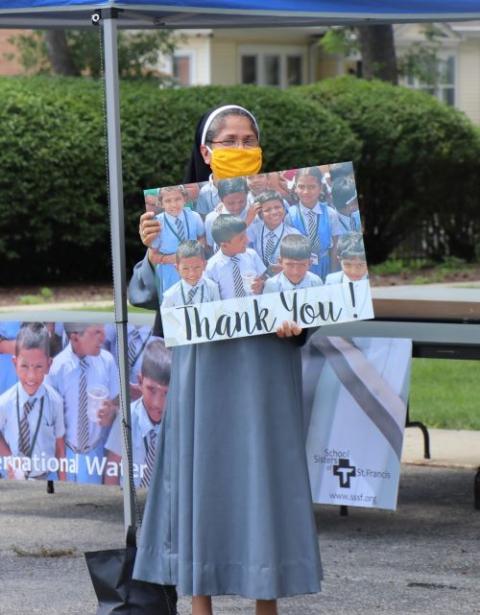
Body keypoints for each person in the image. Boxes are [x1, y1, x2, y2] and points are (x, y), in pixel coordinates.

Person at [131, 104, 322, 615]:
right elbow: (151, 293)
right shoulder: (181, 219)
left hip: (265, 365)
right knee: (203, 477)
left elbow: (311, 283)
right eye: (229, 140)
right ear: (206, 151)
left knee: (264, 477)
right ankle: (199, 605)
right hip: (204, 370)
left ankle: (266, 605)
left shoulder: (282, 212)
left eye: (248, 140)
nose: (240, 149)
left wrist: (300, 319)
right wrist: (152, 254)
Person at [47, 323, 119, 484]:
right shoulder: (57, 369)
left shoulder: (107, 362)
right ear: (74, 337)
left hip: (95, 453)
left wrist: (111, 413)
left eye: (103, 330)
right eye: (96, 332)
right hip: (65, 453)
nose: (104, 337)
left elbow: (116, 403)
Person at [0, 323, 66, 481]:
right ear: (15, 364)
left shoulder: (55, 401)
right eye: (24, 366)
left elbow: (59, 447)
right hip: (12, 481)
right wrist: (9, 458)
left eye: (38, 367)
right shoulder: (4, 402)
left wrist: (65, 484)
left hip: (46, 479)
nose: (31, 376)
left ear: (49, 365)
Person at [103, 338, 171, 488]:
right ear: (140, 381)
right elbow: (111, 471)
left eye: (166, 393)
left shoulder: (177, 425)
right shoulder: (126, 418)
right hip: (129, 506)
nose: (157, 403)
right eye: (151, 390)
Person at [286, 166, 342, 280]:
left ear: (320, 188)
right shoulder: (290, 216)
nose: (306, 192)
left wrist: (333, 271)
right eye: (301, 187)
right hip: (301, 267)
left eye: (312, 187)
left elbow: (336, 244)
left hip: (325, 264)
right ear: (295, 187)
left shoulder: (331, 214)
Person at [149, 185, 205, 293]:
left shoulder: (195, 217)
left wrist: (198, 252)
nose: (174, 204)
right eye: (168, 201)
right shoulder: (156, 223)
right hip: (169, 272)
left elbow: (202, 238)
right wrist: (172, 259)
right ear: (162, 204)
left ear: (184, 199)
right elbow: (152, 256)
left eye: (178, 199)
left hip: (193, 269)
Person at [206, 215, 266, 299]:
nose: (247, 240)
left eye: (246, 235)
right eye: (241, 238)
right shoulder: (211, 268)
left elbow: (264, 280)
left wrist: (261, 286)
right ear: (224, 245)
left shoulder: (252, 255)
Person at [247, 190, 300, 275]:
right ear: (260, 214)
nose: (274, 212)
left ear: (284, 208)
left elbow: (300, 262)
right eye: (267, 210)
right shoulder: (254, 230)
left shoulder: (294, 234)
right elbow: (235, 240)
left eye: (277, 207)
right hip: (259, 279)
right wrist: (249, 218)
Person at [161, 240, 221, 308]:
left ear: (204, 265)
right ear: (177, 268)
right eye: (185, 269)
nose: (192, 274)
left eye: (197, 267)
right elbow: (166, 317)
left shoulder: (212, 288)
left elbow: (218, 313)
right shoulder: (170, 295)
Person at [204, 177, 256, 251]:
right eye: (231, 203)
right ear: (221, 199)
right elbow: (211, 246)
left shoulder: (255, 213)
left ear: (247, 195)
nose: (237, 207)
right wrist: (247, 222)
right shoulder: (212, 219)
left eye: (241, 201)